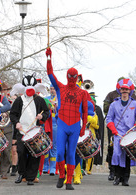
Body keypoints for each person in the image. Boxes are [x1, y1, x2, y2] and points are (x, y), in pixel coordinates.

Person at [46, 47, 88, 190]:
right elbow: (50, 73)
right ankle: (62, 175)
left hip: (75, 125)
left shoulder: (82, 92)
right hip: (63, 123)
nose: (71, 78)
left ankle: (69, 180)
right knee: (59, 152)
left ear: (76, 77)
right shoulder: (60, 88)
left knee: (71, 153)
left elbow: (85, 111)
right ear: (67, 76)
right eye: (69, 76)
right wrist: (49, 58)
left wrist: (83, 127)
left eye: (73, 76)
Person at [10, 74, 50, 186]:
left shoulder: (40, 100)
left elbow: (47, 112)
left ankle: (31, 177)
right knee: (21, 152)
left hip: (34, 131)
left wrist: (42, 117)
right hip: (22, 131)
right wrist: (16, 122)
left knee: (34, 154)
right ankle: (22, 173)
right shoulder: (18, 100)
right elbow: (13, 114)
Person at [106, 78, 136, 186]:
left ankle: (126, 178)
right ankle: (117, 177)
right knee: (117, 154)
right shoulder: (113, 104)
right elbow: (109, 118)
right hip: (118, 133)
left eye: (126, 90)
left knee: (127, 155)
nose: (124, 92)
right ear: (120, 90)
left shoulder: (134, 104)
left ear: (130, 91)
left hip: (130, 133)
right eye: (122, 89)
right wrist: (112, 128)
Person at [9, 83, 25, 176]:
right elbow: (13, 113)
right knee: (14, 148)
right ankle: (14, 167)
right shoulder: (18, 101)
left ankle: (20, 166)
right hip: (17, 126)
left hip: (27, 126)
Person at [42, 85, 58, 176]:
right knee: (46, 145)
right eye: (51, 89)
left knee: (54, 146)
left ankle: (53, 168)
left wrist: (56, 105)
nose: (52, 91)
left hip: (55, 124)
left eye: (54, 89)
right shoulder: (46, 98)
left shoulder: (59, 99)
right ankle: (45, 166)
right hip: (47, 124)